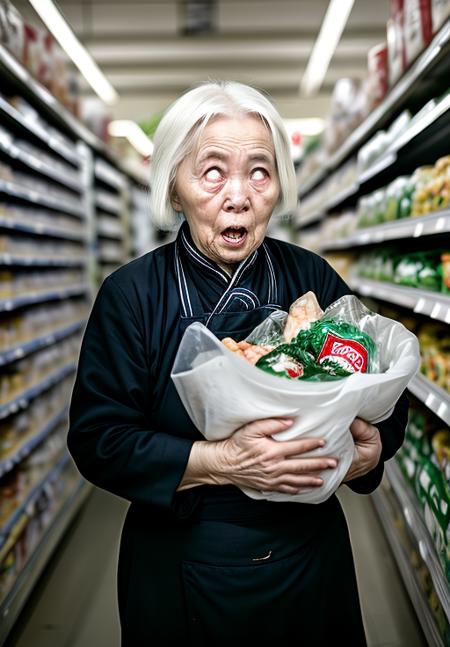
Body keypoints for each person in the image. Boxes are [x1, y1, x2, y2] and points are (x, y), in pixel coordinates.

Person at [67, 81, 409, 647]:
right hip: (181, 559)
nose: (239, 195)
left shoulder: (312, 279)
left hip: (306, 557)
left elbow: (382, 395)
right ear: (174, 188)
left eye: (259, 170)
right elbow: (99, 439)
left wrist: (371, 449)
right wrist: (222, 462)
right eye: (212, 172)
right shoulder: (132, 295)